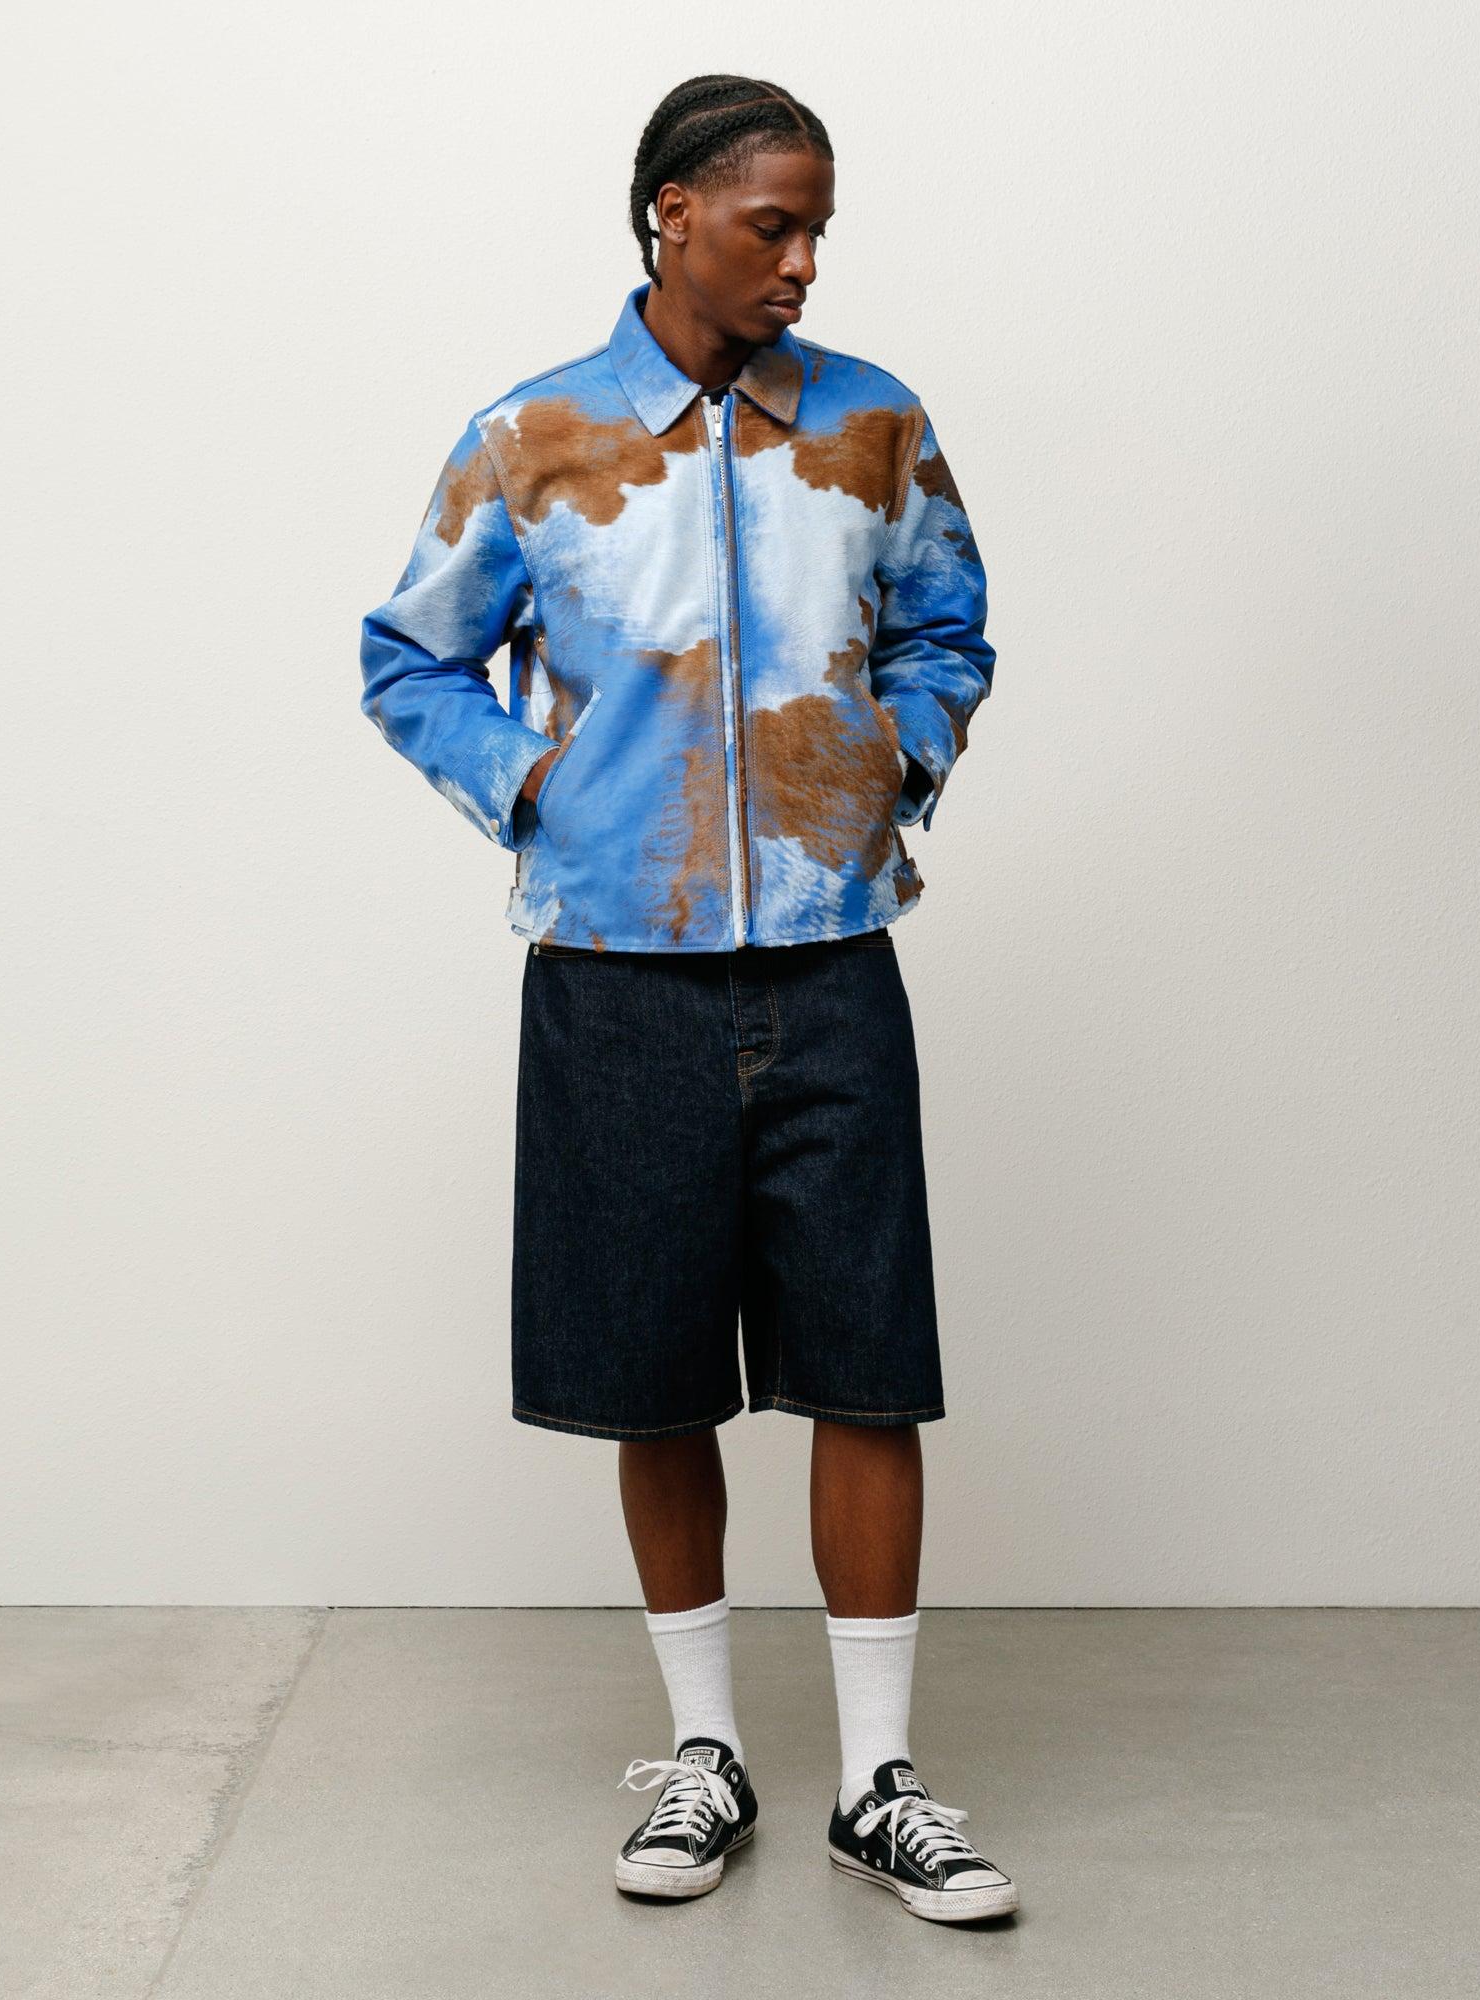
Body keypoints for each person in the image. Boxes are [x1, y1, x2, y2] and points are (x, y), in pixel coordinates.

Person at [358, 73, 1014, 1925]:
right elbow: (410, 658)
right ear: (673, 215)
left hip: (829, 958)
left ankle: (881, 1782)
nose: (802, 262)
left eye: (818, 231)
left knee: (867, 1367)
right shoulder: (535, 437)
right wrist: (536, 789)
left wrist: (894, 759)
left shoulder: (875, 424)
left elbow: (949, 624)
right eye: (771, 225)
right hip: (615, 975)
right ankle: (705, 1753)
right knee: (656, 1377)